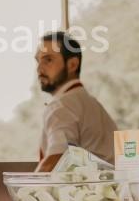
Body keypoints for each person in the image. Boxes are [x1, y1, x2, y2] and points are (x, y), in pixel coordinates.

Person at [34, 31, 117, 171]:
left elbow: (56, 160)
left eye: (48, 60)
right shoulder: (89, 103)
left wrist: (26, 189)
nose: (39, 68)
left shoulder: (62, 106)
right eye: (38, 60)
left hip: (89, 190)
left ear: (72, 65)